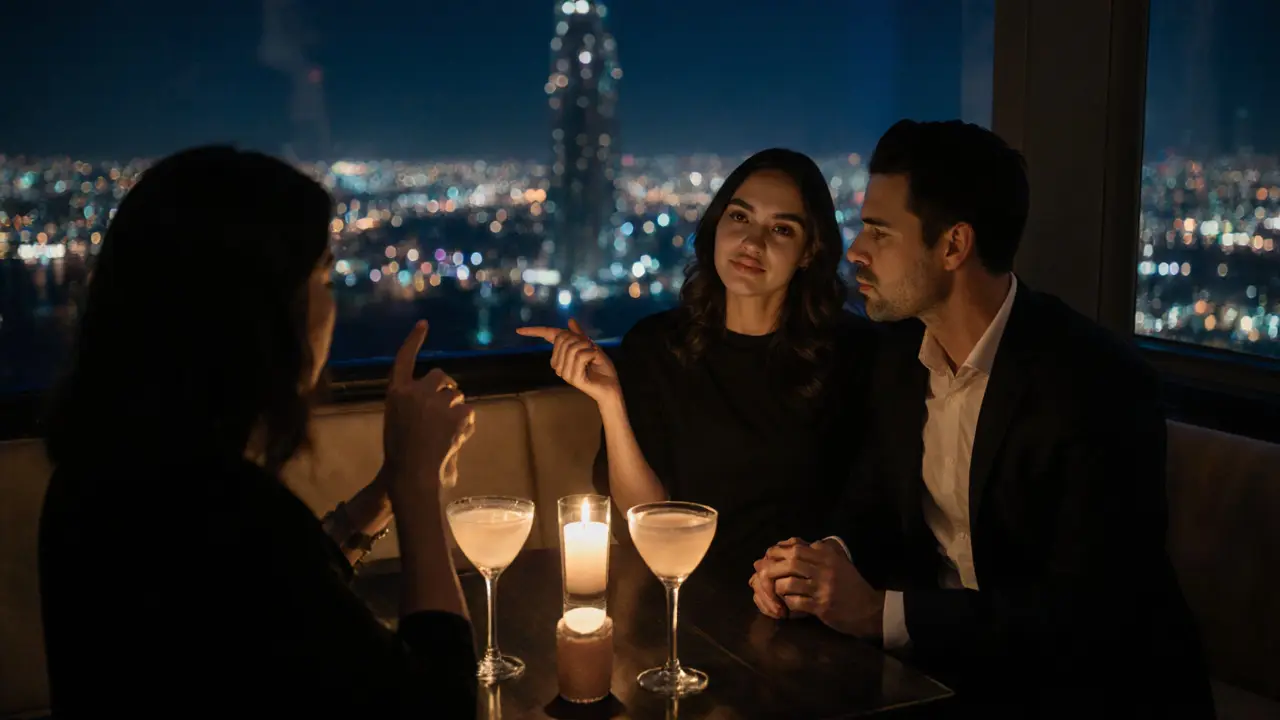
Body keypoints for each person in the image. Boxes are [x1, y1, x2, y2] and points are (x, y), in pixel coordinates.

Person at [750, 120, 1213, 715]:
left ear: (953, 246)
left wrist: (878, 612)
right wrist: (819, 564)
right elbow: (871, 502)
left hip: (1089, 691)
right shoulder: (898, 358)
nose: (857, 251)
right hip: (945, 674)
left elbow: (1089, 614)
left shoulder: (1095, 385)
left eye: (879, 232)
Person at [38, 147, 479, 718]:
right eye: (322, 275)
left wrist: (387, 490)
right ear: (265, 312)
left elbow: (284, 597)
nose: (332, 303)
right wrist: (419, 491)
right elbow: (436, 707)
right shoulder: (220, 511)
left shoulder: (108, 475)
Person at [518, 148, 880, 577]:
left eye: (781, 229)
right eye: (740, 218)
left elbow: (870, 513)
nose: (752, 243)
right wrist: (611, 402)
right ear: (716, 226)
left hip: (800, 607)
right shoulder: (656, 347)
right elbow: (646, 519)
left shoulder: (852, 356)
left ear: (808, 253)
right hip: (683, 596)